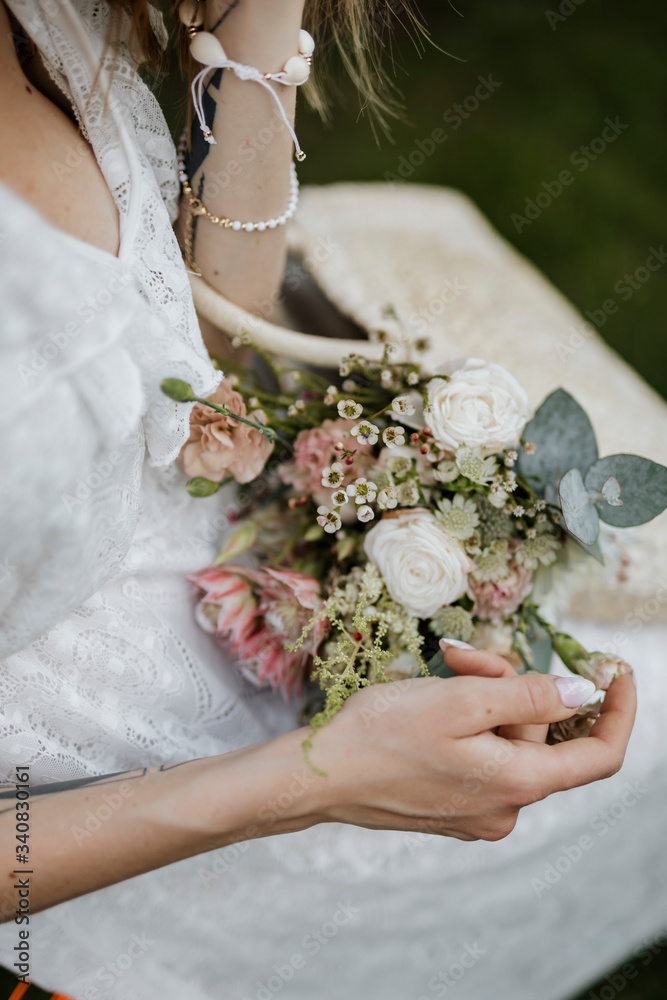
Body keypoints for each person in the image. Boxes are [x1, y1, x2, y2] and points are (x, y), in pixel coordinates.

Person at [0, 2, 662, 999]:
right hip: (101, 814)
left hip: (241, 565)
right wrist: (320, 780)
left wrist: (257, 29)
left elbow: (211, 328)